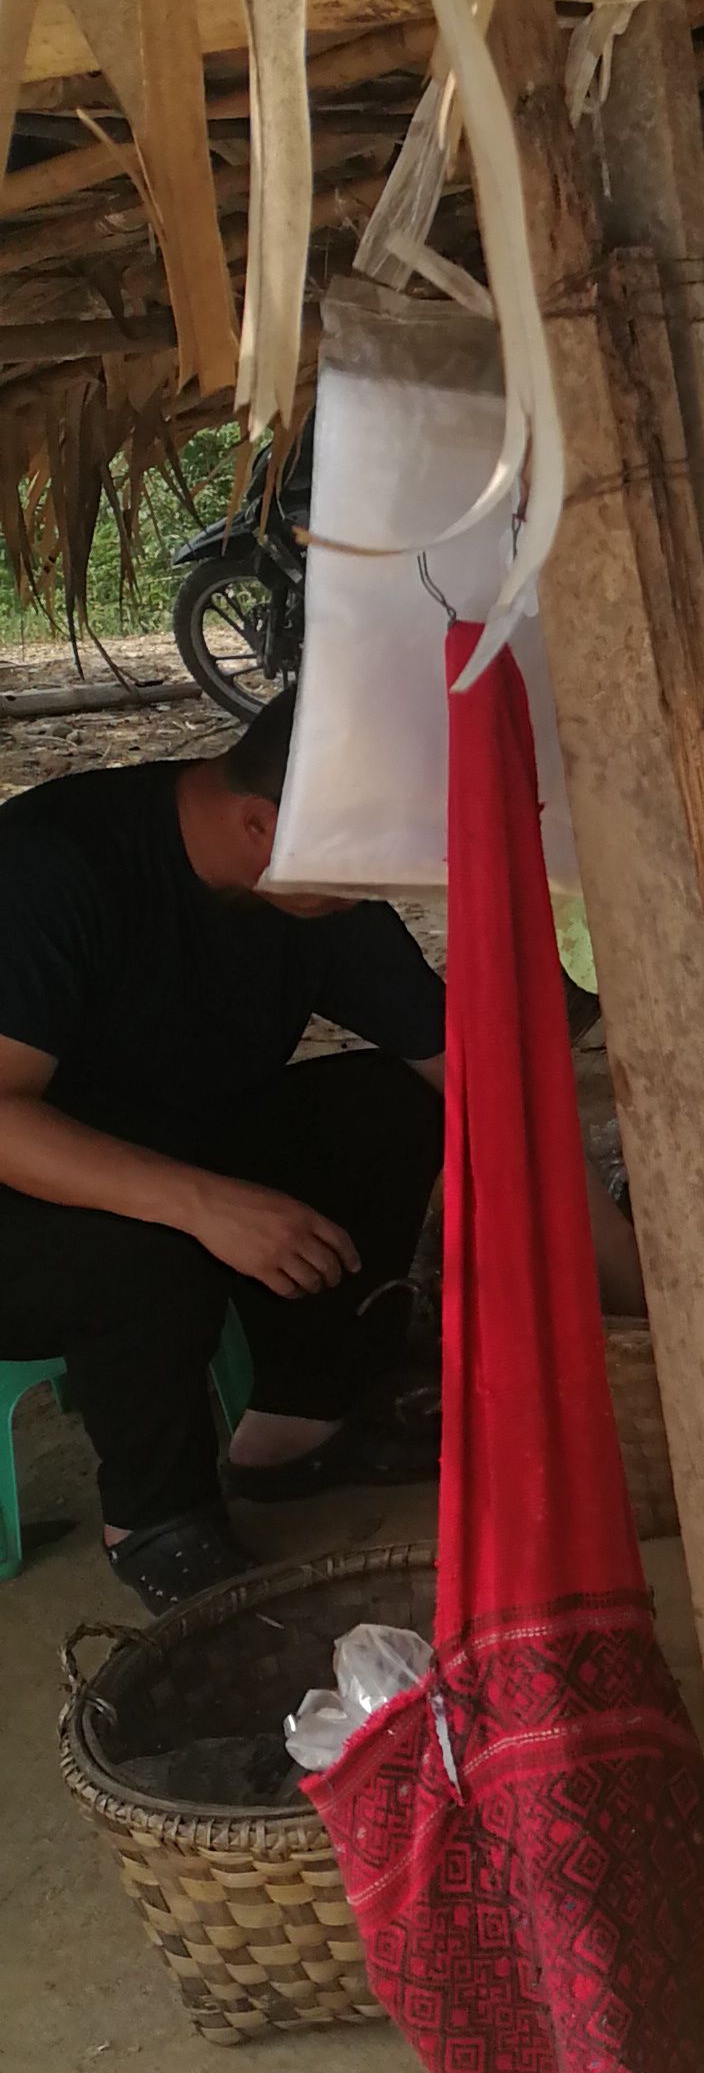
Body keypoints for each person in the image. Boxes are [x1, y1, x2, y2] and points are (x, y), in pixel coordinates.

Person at [0, 689, 446, 1609]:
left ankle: (297, 1429)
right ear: (260, 823)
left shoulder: (312, 885)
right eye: (365, 864)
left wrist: (628, 1272)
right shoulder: (56, 867)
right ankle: (156, 1524)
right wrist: (203, 1202)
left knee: (387, 1105)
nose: (377, 888)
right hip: (24, 1192)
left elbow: (467, 1074)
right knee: (149, 1241)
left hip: (165, 1146)